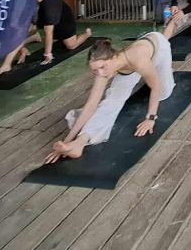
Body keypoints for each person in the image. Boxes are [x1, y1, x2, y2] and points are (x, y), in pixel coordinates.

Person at [45, 33, 175, 162]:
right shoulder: (103, 71)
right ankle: (79, 143)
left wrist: (150, 119)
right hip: (129, 66)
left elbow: (156, 86)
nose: (100, 73)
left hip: (159, 48)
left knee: (163, 93)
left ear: (113, 57)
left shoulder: (138, 59)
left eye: (103, 67)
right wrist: (67, 142)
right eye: (95, 70)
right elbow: (91, 105)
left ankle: (153, 73)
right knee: (111, 102)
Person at [0, 0, 93, 75]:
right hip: (43, 19)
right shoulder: (28, 3)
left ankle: (87, 34)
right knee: (21, 35)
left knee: (71, 45)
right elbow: (18, 34)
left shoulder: (50, 8)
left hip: (63, 22)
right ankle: (6, 66)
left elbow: (49, 33)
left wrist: (47, 54)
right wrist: (22, 49)